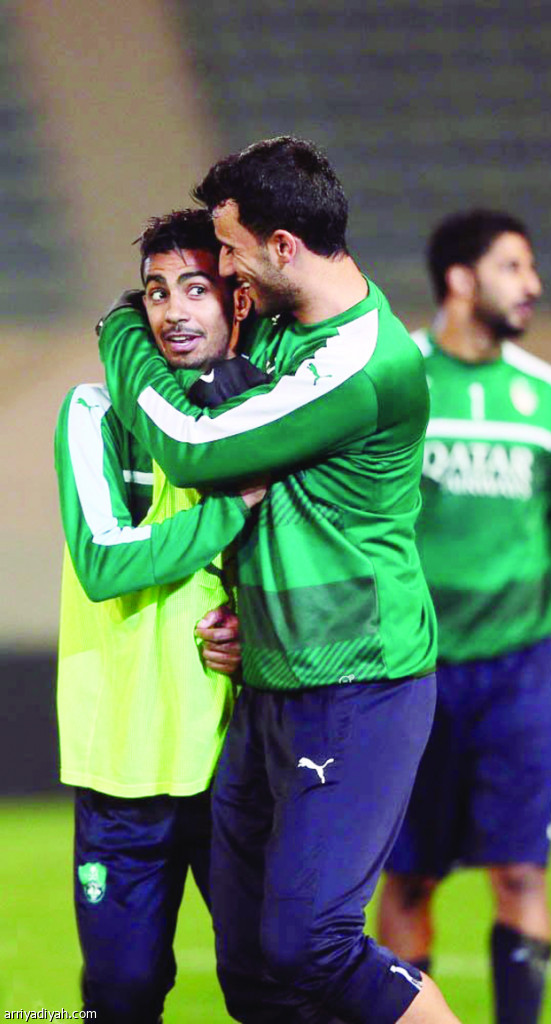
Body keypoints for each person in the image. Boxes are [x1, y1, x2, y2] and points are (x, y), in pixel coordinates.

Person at [95, 136, 460, 1024]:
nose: (222, 271)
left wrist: (122, 334)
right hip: (272, 678)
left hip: (356, 680)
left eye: (231, 250)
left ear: (284, 247)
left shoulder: (360, 364)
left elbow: (194, 446)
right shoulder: (275, 322)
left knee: (311, 944)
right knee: (255, 967)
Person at [377, 209, 551, 1024]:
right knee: (409, 879)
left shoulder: (545, 394)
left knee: (522, 872)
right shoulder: (400, 379)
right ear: (461, 279)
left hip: (521, 669)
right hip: (415, 672)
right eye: (514, 267)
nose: (532, 284)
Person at [55, 208, 266, 1022]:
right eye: (156, 292)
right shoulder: (92, 414)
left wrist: (257, 630)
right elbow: (105, 562)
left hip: (232, 761)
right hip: (121, 765)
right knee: (123, 995)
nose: (174, 310)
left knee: (268, 985)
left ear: (235, 300)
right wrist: (232, 508)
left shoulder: (261, 414)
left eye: (195, 288)